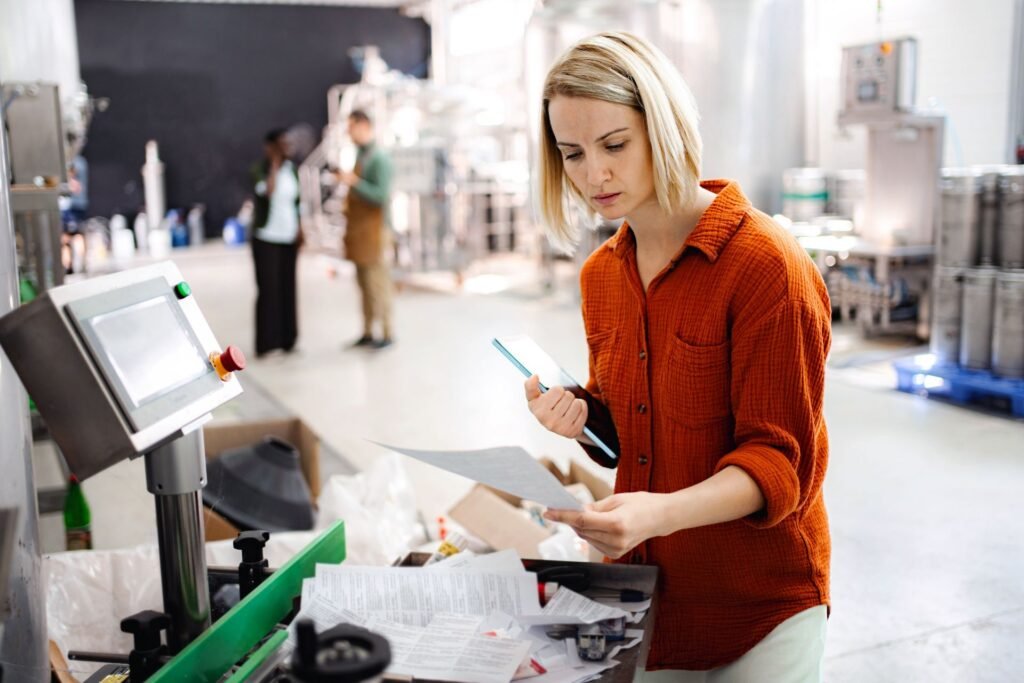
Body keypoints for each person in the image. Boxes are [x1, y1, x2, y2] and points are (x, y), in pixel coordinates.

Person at [525, 32, 831, 682]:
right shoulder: (601, 277)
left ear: (660, 127)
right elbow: (631, 436)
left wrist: (655, 511)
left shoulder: (765, 267)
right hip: (654, 594)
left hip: (759, 607)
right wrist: (584, 416)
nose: (592, 175)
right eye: (571, 153)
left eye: (614, 145)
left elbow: (779, 467)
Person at [337, 110, 395, 349]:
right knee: (363, 284)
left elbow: (380, 195)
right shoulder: (362, 155)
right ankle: (368, 331)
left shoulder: (379, 158)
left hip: (376, 231)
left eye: (351, 127)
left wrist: (354, 183)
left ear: (363, 125)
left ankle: (387, 332)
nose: (349, 133)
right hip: (360, 230)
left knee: (377, 283)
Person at [250, 128, 301, 357]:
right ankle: (267, 343)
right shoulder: (259, 170)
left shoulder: (293, 171)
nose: (286, 148)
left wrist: (301, 228)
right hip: (267, 238)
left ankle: (288, 340)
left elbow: (297, 202)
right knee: (268, 289)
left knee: (288, 288)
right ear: (270, 147)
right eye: (281, 144)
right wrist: (274, 164)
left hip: (288, 238)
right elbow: (267, 192)